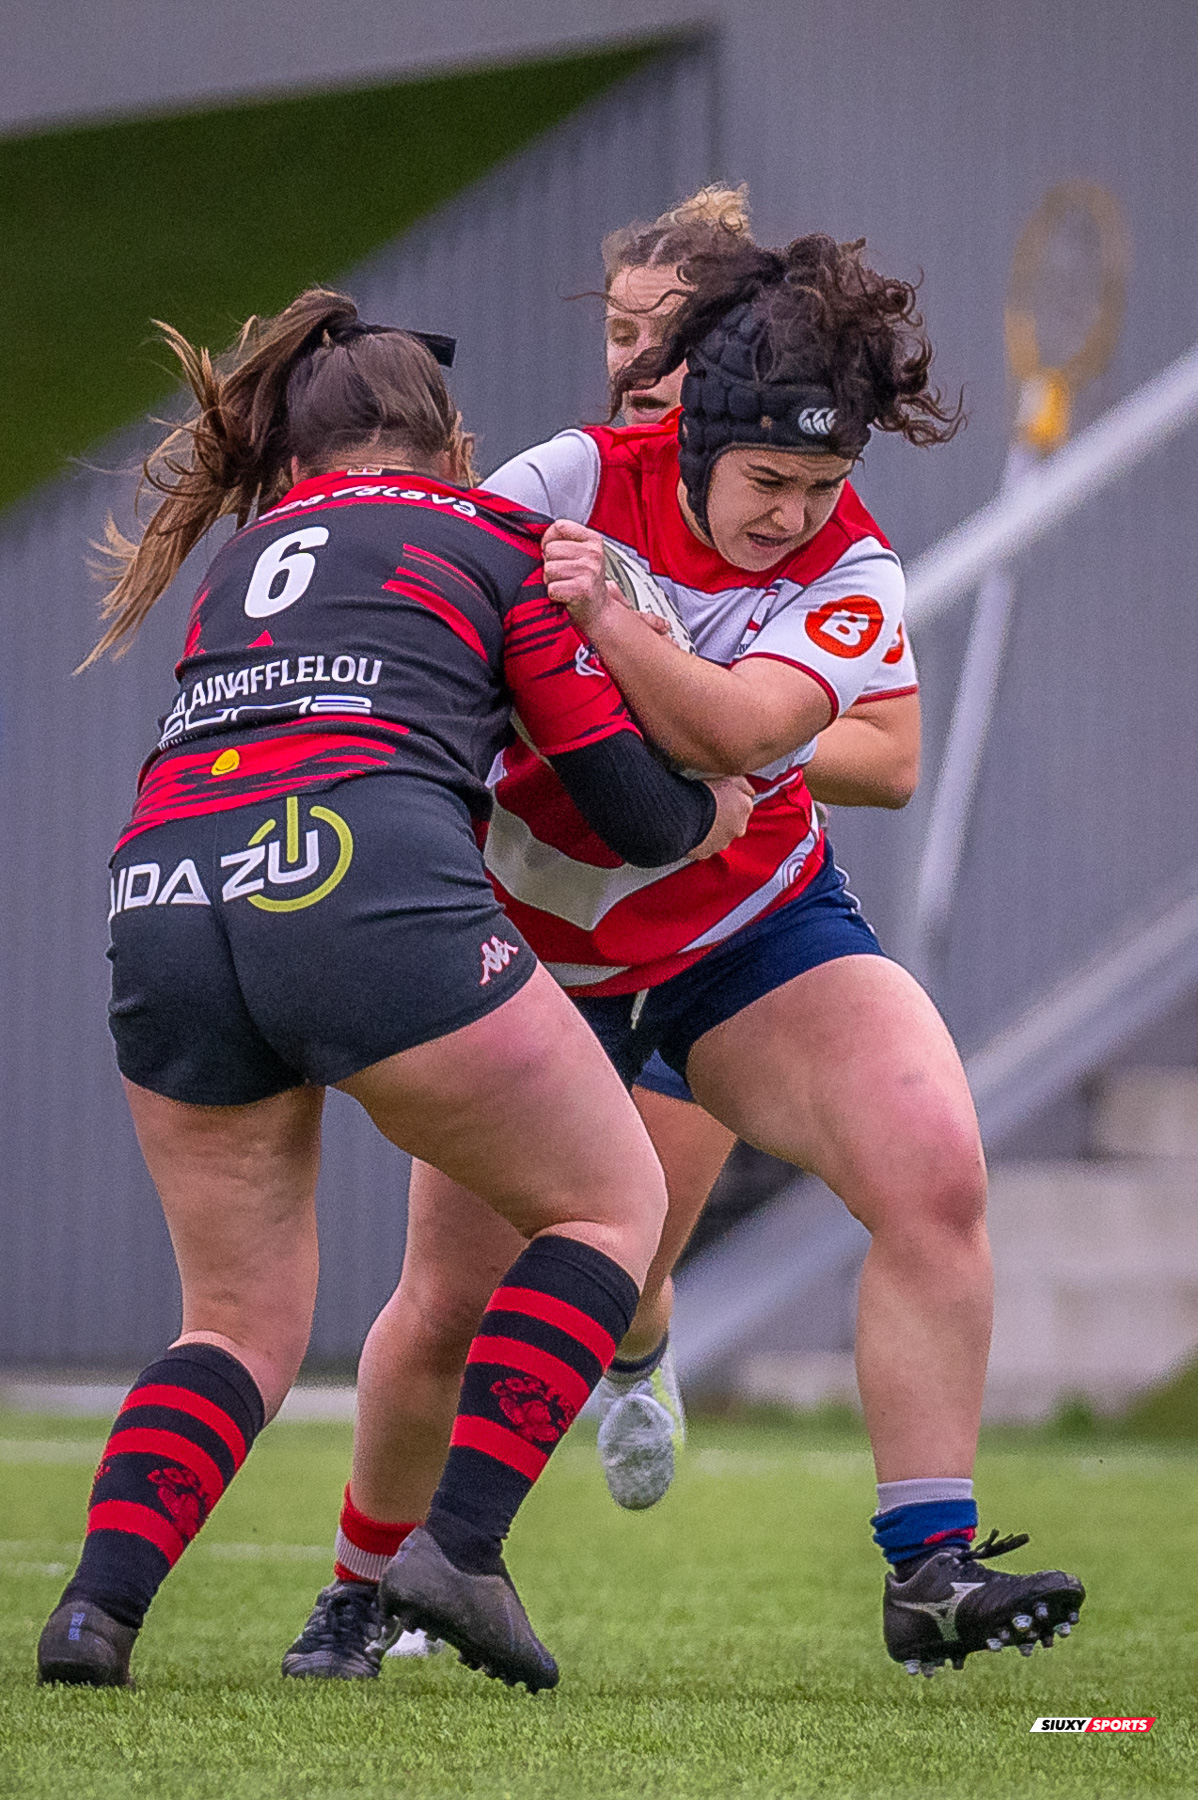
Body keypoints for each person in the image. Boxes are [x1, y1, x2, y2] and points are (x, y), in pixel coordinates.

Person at [286, 234, 1084, 1685]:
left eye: (823, 485)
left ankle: (930, 1568)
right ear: (702, 437)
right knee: (448, 1304)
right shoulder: (563, 481)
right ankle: (358, 1595)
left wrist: (603, 615)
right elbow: (417, 640)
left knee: (933, 1169)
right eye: (769, 480)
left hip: (745, 926)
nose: (794, 515)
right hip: (535, 951)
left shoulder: (854, 567)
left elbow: (739, 732)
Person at [35, 286, 756, 1693]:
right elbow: (625, 808)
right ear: (456, 444)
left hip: (164, 888)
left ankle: (95, 1613)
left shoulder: (241, 558)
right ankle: (458, 1553)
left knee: (233, 1321)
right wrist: (709, 805)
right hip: (353, 866)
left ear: (294, 460)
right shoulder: (496, 536)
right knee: (611, 1205)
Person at [594, 184, 921, 1509]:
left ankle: (638, 1349)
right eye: (618, 331)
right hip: (559, 919)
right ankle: (394, 1569)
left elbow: (888, 759)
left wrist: (726, 731)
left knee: (628, 1256)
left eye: (661, 336)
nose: (635, 363)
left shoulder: (811, 526)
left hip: (723, 917)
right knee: (479, 1269)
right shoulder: (568, 485)